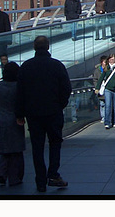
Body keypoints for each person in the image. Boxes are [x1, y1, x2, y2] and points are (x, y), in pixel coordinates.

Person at [15, 36, 72, 192]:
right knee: (55, 143)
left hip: (33, 114)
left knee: (37, 147)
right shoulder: (57, 66)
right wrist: (60, 104)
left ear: (34, 47)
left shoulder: (26, 67)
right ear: (48, 47)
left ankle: (40, 181)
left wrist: (20, 113)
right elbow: (66, 88)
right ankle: (53, 175)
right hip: (53, 111)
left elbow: (19, 93)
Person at [0, 61, 25, 186]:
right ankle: (15, 177)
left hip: (1, 119)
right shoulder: (19, 86)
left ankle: (1, 173)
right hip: (16, 120)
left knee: (4, 149)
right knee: (16, 150)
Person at [96, 53, 115, 129]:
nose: (111, 60)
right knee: (108, 106)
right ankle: (107, 122)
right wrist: (97, 88)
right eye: (110, 59)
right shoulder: (107, 68)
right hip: (108, 89)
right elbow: (101, 78)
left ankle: (114, 121)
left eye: (113, 59)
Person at [92, 56, 108, 122]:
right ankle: (104, 117)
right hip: (101, 89)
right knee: (102, 103)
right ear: (101, 62)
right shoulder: (97, 71)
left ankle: (108, 116)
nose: (105, 63)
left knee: (108, 103)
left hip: (108, 89)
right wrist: (97, 87)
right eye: (104, 62)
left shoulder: (109, 69)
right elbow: (95, 79)